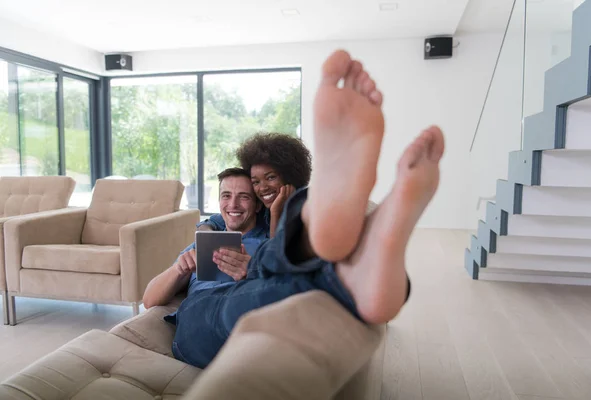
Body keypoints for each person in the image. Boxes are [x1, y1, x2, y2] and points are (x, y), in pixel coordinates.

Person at [160, 50, 445, 369]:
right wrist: (183, 265)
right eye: (252, 183)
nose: (245, 197)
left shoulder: (262, 220)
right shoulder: (214, 228)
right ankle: (353, 258)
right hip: (213, 305)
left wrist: (278, 223)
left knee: (273, 271)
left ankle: (344, 259)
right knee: (263, 275)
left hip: (263, 284)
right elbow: (151, 296)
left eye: (268, 179)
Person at [142, 168, 269, 309]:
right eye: (226, 196)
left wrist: (252, 275)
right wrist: (178, 270)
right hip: (195, 313)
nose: (233, 204)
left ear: (257, 205)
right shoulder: (203, 244)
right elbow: (149, 301)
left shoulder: (268, 247)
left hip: (238, 315)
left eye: (244, 196)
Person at [199, 133, 312, 237]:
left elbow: (275, 255)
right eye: (256, 182)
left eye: (270, 177)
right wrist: (206, 237)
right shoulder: (261, 207)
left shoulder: (306, 213)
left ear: (289, 176)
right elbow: (213, 221)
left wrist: (275, 212)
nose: (263, 188)